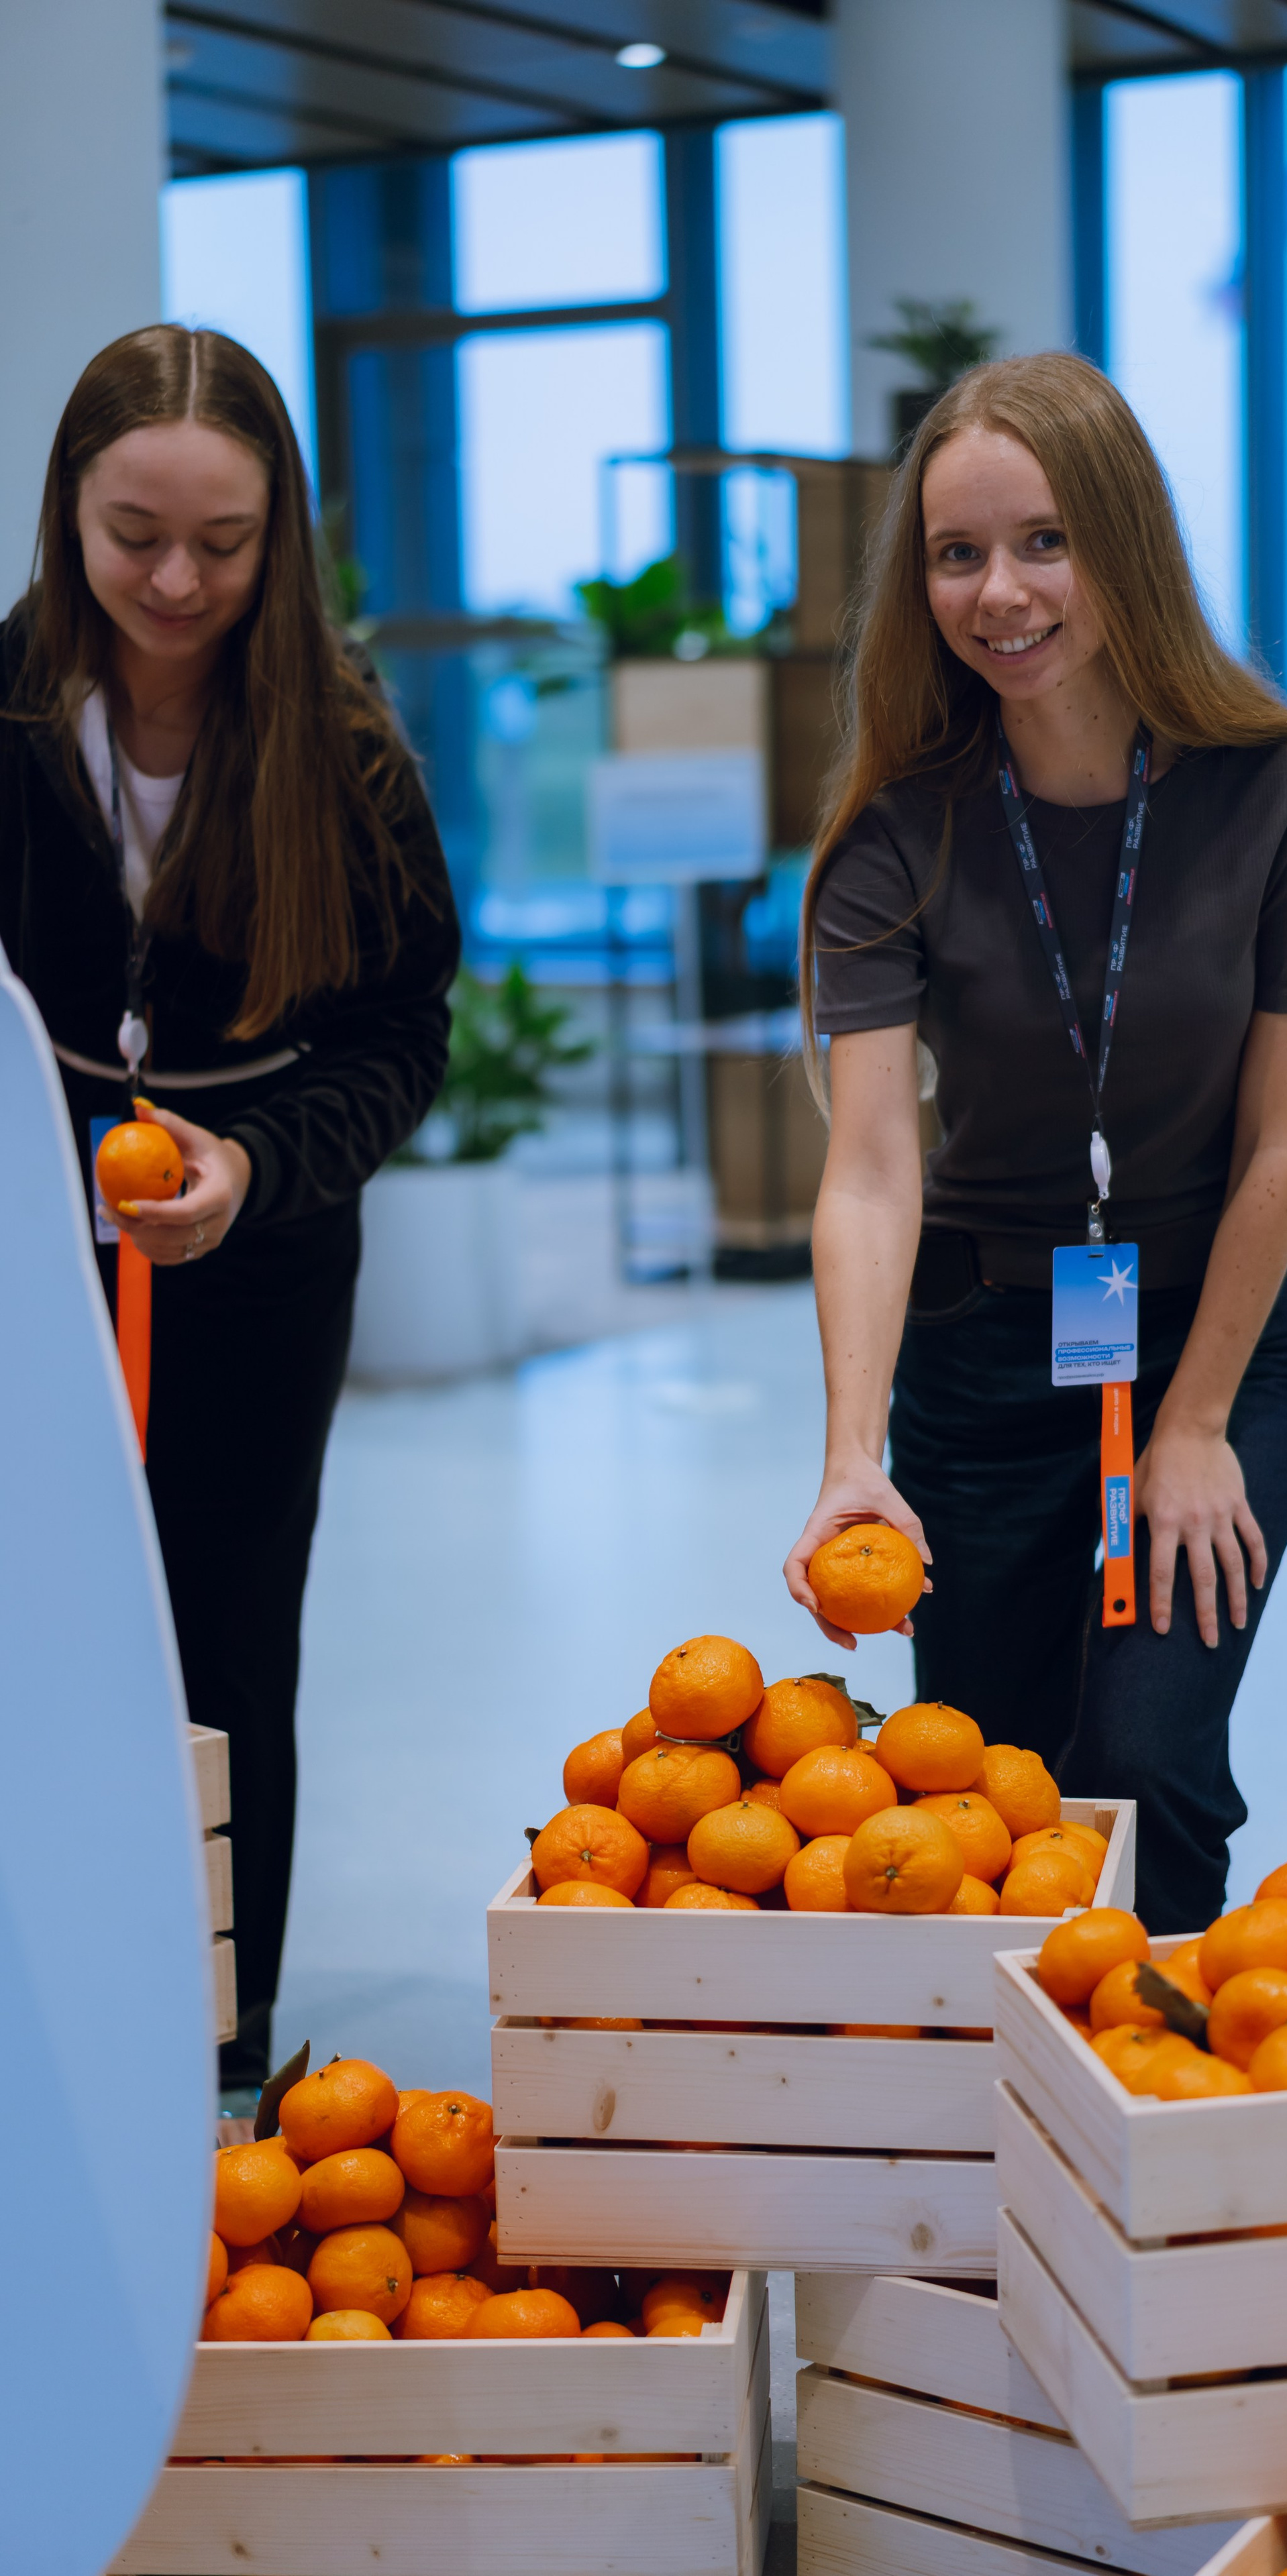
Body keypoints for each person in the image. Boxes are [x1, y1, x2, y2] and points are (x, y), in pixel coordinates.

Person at [783, 354, 1287, 1933]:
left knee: (1146, 1749)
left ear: (1122, 543)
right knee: (998, 1787)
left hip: (1214, 1330)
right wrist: (850, 1453)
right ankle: (1010, 2155)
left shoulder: (1278, 788)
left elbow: (1272, 1156)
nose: (999, 592)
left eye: (1043, 541)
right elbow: (872, 1170)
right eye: (956, 554)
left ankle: (1147, 2119)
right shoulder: (897, 827)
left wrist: (1191, 1425)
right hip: (980, 1354)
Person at [0, 327, 459, 2092]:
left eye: (225, 540)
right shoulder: (8, 712)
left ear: (284, 538)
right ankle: (57, 2003)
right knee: (41, 1622)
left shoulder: (346, 762)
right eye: (135, 536)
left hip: (257, 1252)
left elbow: (400, 1035)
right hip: (34, 1252)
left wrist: (258, 1169)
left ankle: (215, 2020)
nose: (177, 581)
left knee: (223, 1629)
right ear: (69, 516)